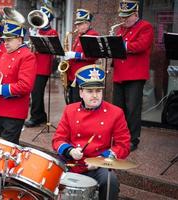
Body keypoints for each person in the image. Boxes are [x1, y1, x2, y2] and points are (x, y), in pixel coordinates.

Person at [52, 64, 131, 200]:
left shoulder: (115, 113)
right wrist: (70, 151)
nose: (95, 95)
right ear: (81, 93)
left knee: (110, 181)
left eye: (98, 91)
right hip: (72, 163)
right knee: (50, 177)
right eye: (90, 91)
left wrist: (100, 160)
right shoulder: (70, 110)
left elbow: (124, 145)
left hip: (99, 165)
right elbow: (58, 139)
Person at [0, 14, 37, 144]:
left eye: (9, 39)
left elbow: (25, 86)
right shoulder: (6, 54)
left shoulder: (27, 56)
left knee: (6, 150)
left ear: (19, 40)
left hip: (13, 112)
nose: (5, 42)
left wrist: (1, 89)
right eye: (4, 39)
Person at [112, 0, 154, 151]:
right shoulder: (121, 29)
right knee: (118, 108)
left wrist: (122, 45)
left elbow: (142, 45)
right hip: (119, 74)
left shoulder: (145, 27)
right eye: (122, 17)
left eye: (126, 17)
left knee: (132, 109)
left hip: (135, 75)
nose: (123, 20)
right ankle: (119, 137)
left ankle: (133, 139)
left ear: (135, 14)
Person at [24, 6, 58, 128]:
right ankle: (41, 116)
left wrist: (36, 36)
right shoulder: (37, 31)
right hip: (34, 66)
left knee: (37, 92)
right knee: (35, 92)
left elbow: (50, 48)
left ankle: (35, 117)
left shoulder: (51, 32)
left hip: (43, 67)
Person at [63, 9, 99, 103]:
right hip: (74, 76)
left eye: (79, 24)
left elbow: (94, 55)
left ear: (87, 24)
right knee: (71, 102)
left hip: (83, 76)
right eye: (77, 24)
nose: (77, 26)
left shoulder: (92, 35)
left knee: (78, 102)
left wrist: (75, 55)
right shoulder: (80, 35)